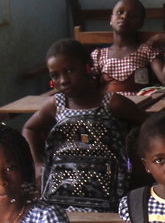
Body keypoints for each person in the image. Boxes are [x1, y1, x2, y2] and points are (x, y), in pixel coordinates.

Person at [22, 38, 147, 183]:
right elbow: (29, 128)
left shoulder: (111, 103)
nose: (63, 81)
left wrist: (136, 161)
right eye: (55, 75)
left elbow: (149, 126)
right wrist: (37, 163)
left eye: (70, 71)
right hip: (66, 184)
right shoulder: (57, 105)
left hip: (110, 183)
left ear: (88, 67)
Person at [91, 0, 165, 93]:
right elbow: (90, 86)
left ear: (140, 23)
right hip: (108, 106)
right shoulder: (99, 55)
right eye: (119, 12)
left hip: (138, 105)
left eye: (132, 15)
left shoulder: (146, 50)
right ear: (111, 19)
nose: (124, 16)